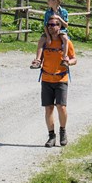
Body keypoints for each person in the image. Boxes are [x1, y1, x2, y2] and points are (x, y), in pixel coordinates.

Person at [32, 14, 77, 147]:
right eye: (49, 25)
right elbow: (39, 55)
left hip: (61, 78)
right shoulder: (45, 41)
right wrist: (37, 61)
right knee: (48, 108)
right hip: (46, 78)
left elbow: (74, 59)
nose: (52, 27)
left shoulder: (66, 42)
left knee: (61, 107)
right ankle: (51, 136)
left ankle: (63, 131)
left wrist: (69, 62)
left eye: (54, 25)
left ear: (60, 26)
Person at [31, 0, 69, 67]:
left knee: (65, 39)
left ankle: (65, 58)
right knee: (41, 40)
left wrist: (59, 18)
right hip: (50, 30)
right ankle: (38, 60)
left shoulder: (64, 12)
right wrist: (48, 36)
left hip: (61, 30)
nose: (47, 1)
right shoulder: (48, 12)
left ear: (55, 1)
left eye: (49, 0)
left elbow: (66, 25)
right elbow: (45, 25)